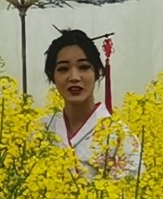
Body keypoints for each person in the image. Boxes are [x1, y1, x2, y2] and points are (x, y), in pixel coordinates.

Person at [39, 29, 141, 178]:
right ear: (52, 76)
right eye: (63, 69)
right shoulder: (39, 131)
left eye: (84, 67)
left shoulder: (120, 137)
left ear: (98, 72)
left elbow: (128, 196)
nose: (74, 77)